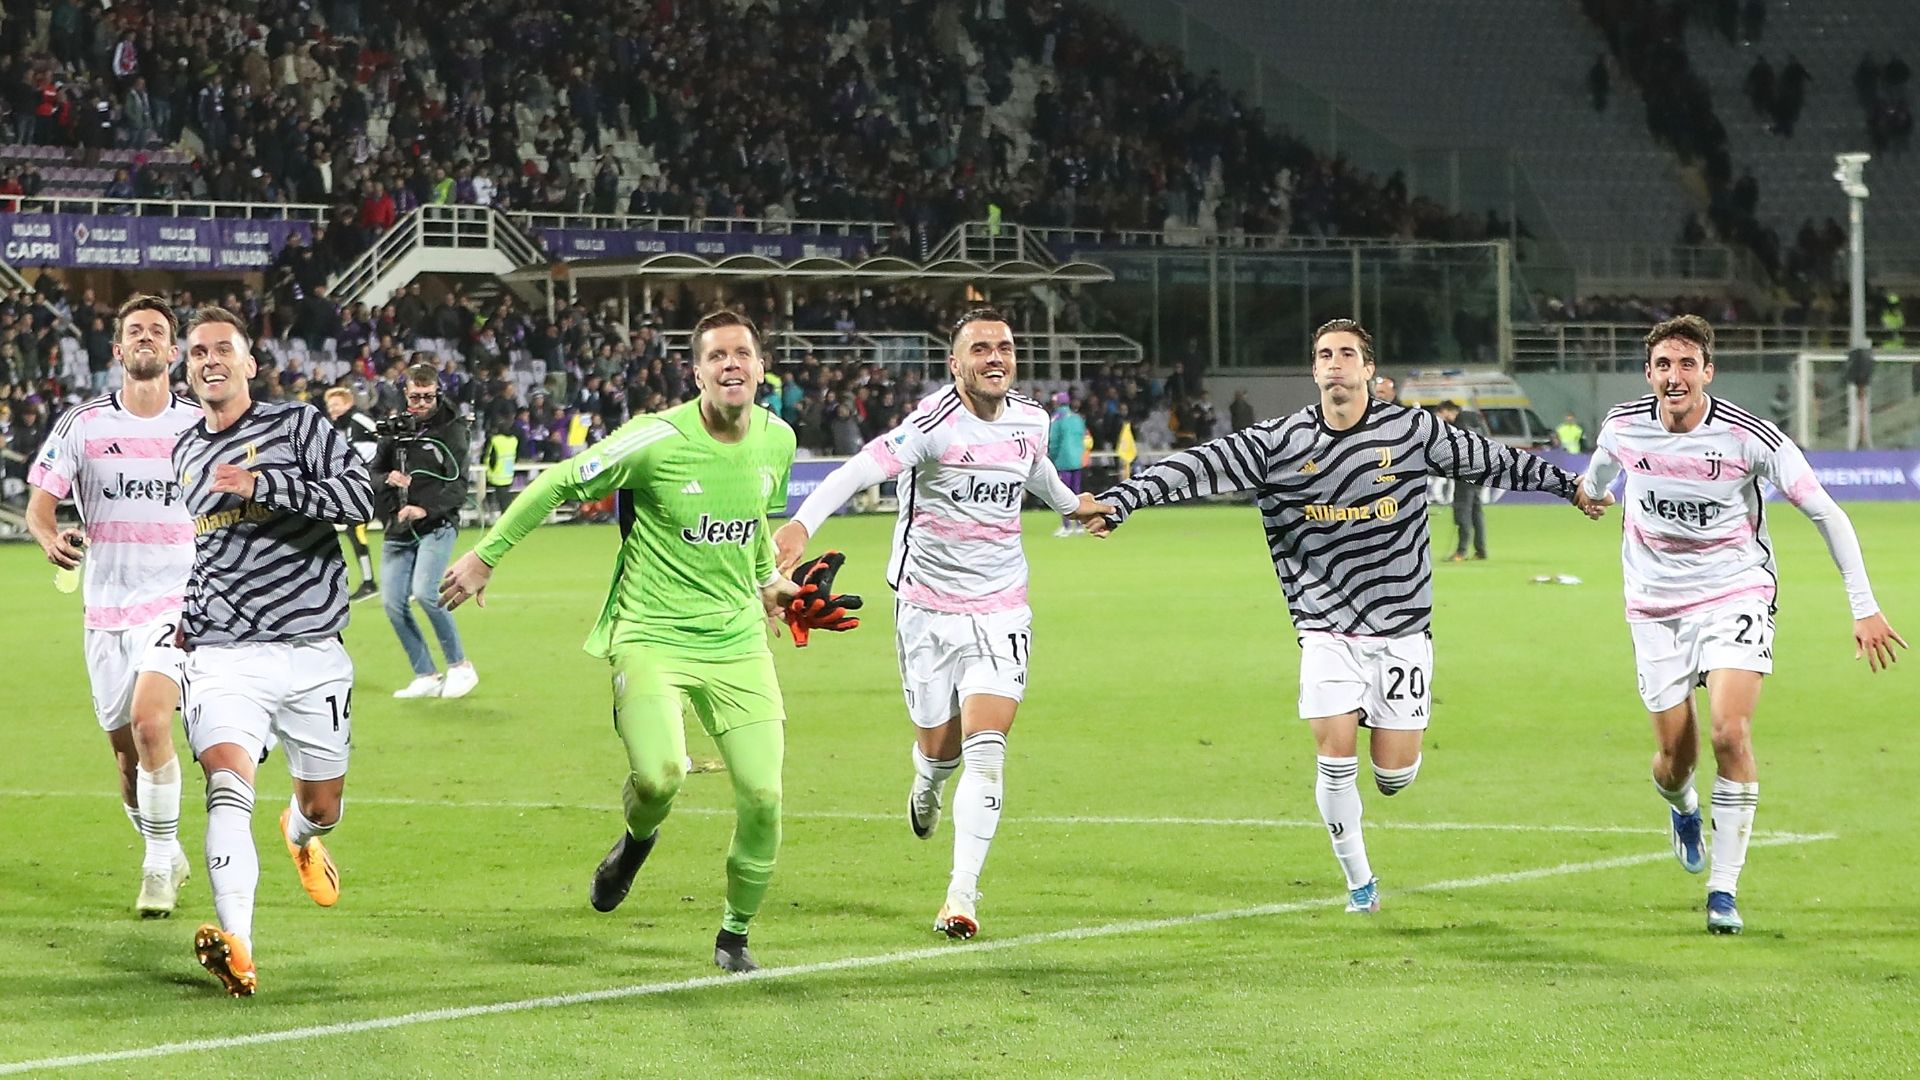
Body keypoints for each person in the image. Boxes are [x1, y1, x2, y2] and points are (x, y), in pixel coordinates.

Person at [1083, 319, 1610, 913]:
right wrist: (1125, 499)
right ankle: (1360, 883)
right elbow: (1198, 466)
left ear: (1368, 371)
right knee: (1333, 751)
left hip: (1402, 629)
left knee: (1393, 774)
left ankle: (1383, 741)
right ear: (1314, 371)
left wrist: (1569, 487)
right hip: (1325, 624)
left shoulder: (1412, 432)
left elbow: (1489, 460)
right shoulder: (1279, 442)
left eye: (1347, 354)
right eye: (1324, 354)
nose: (1335, 362)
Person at [439, 311, 809, 974]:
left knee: (764, 795)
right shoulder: (656, 440)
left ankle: (734, 935)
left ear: (760, 368)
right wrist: (486, 555)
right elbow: (559, 480)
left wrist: (770, 587)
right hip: (650, 637)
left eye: (742, 354)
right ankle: (637, 839)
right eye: (717, 355)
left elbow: (754, 526)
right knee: (661, 776)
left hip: (737, 642)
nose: (731, 364)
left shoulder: (777, 440)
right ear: (696, 372)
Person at [773, 309, 1101, 940]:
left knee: (987, 751)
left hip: (1002, 606)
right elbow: (856, 471)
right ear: (956, 365)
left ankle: (961, 894)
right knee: (940, 747)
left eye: (1004, 346)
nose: (995, 357)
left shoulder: (1032, 419)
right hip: (926, 609)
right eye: (980, 348)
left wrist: (1074, 507)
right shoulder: (932, 426)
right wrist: (799, 525)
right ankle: (925, 785)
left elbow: (1038, 472)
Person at [1579, 315, 1905, 934]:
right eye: (1663, 366)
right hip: (1652, 604)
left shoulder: (1750, 438)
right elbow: (1599, 474)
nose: (1674, 377)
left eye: (1686, 365)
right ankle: (1682, 806)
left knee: (1731, 733)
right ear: (1648, 373)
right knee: (1675, 759)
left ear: (1708, 372)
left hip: (1736, 593)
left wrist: (1862, 604)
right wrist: (1591, 493)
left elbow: (1828, 515)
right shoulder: (1624, 426)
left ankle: (1723, 890)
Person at [171, 305, 374, 996]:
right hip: (223, 653)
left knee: (325, 803)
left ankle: (301, 832)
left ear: (250, 363)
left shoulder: (299, 425)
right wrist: (184, 614)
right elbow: (205, 543)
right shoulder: (183, 450)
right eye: (197, 351)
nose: (209, 360)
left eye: (222, 348)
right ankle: (240, 946)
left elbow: (359, 496)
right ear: (187, 366)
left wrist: (265, 485)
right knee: (226, 787)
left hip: (313, 648)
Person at [25, 295, 200, 917]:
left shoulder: (199, 427)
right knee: (128, 764)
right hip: (106, 609)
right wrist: (51, 537)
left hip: (175, 602)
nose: (147, 338)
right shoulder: (83, 424)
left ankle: (157, 867)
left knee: (154, 722)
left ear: (173, 352)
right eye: (135, 331)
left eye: (158, 330)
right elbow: (41, 505)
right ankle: (166, 846)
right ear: (118, 350)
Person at [373, 364, 477, 699]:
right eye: (414, 396)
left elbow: (459, 486)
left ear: (437, 393)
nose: (420, 403)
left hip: (436, 523)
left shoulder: (453, 429)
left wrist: (426, 509)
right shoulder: (395, 430)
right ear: (405, 394)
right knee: (391, 602)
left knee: (427, 592)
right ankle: (427, 674)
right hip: (399, 525)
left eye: (427, 396)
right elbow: (373, 472)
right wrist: (387, 480)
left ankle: (461, 667)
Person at [324, 387, 380, 602]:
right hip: (366, 484)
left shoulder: (358, 419)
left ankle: (371, 582)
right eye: (330, 406)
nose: (332, 409)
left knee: (395, 530)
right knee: (354, 530)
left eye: (336, 404)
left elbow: (382, 436)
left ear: (348, 404)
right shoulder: (343, 427)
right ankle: (368, 581)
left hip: (378, 483)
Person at [1433, 401, 1489, 562]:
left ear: (1447, 411)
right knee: (1476, 511)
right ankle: (1481, 550)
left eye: (1441, 416)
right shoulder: (1475, 419)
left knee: (1462, 511)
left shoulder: (1459, 425)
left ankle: (1461, 551)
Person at [1047, 390, 1089, 537]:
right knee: (1077, 493)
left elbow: (1054, 442)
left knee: (1063, 494)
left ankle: (1066, 526)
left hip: (1063, 461)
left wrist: (1051, 458)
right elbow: (1085, 438)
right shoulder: (1078, 418)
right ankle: (1079, 525)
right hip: (1077, 460)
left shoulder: (1057, 419)